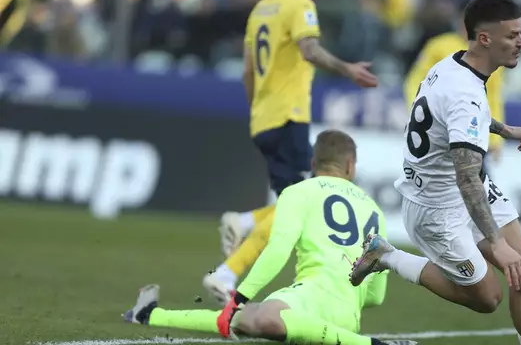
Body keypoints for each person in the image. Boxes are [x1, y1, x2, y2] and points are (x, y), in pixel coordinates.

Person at [350, 0, 521, 345]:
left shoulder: (454, 63)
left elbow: (456, 119)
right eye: (513, 35)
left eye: (520, 32)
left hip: (465, 189)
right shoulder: (465, 96)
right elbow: (466, 176)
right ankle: (388, 256)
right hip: (437, 210)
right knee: (488, 298)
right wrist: (496, 243)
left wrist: (505, 130)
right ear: (485, 38)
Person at [123, 130, 415, 345]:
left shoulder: (299, 192)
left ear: (313, 163)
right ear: (351, 166)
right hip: (349, 317)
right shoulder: (374, 210)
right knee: (248, 318)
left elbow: (277, 250)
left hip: (309, 299)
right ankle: (150, 315)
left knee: (263, 317)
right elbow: (376, 295)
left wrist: (237, 296)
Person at [206, 0, 378, 304]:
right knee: (299, 204)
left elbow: (247, 73)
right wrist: (348, 69)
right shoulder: (300, 4)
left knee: (293, 203)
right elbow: (309, 49)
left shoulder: (260, 10)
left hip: (264, 119)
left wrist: (258, 110)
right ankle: (234, 253)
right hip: (289, 117)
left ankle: (237, 246)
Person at [403, 1, 506, 169]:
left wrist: (496, 139)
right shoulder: (439, 46)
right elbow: (415, 80)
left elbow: (493, 98)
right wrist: (417, 113)